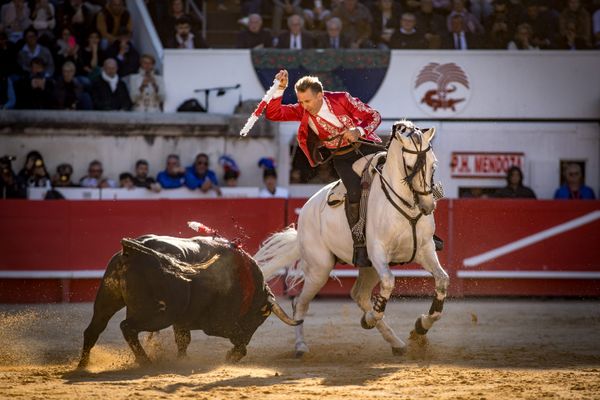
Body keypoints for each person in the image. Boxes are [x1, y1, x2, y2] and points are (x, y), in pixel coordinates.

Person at [265, 69, 382, 267]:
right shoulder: (302, 110)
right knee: (354, 191)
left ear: (320, 95)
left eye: (307, 101)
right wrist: (280, 89)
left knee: (399, 172)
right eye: (301, 101)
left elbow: (374, 116)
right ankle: (360, 245)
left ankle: (425, 232)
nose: (304, 106)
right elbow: (273, 113)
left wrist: (358, 130)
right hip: (342, 157)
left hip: (366, 145)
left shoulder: (342, 99)